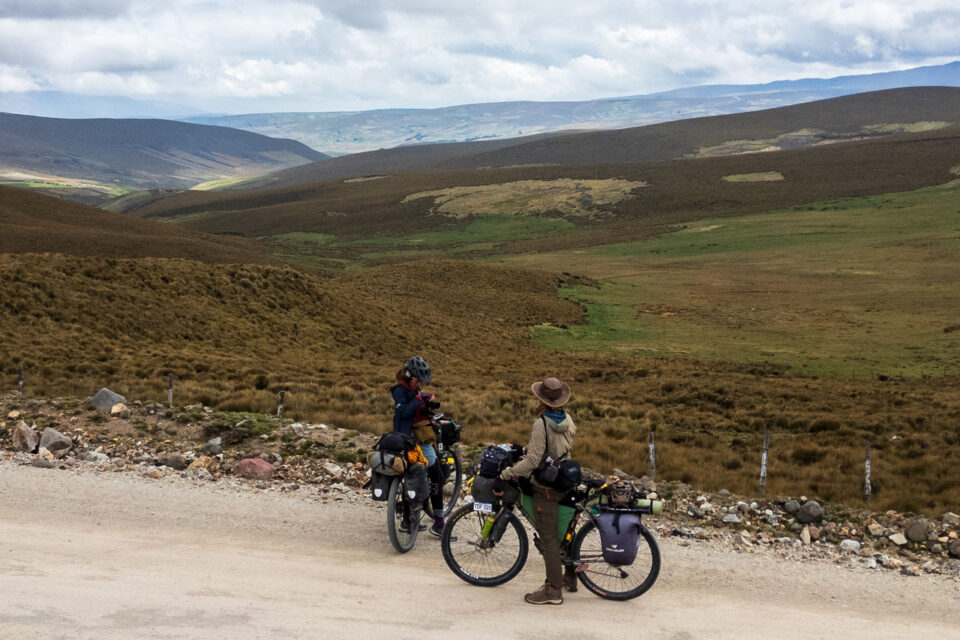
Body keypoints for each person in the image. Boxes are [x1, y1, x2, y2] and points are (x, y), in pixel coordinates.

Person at [500, 376, 577, 605]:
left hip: (547, 487)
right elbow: (559, 449)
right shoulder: (568, 419)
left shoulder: (541, 423)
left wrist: (509, 473)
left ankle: (553, 590)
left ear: (541, 399)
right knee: (564, 529)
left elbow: (533, 461)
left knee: (549, 539)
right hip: (565, 479)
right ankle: (570, 576)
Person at [390, 356, 447, 536]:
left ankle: (408, 520)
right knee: (436, 474)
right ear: (408, 377)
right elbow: (405, 412)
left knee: (412, 476)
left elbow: (415, 410)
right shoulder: (400, 391)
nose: (420, 384)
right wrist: (419, 398)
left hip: (407, 438)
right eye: (418, 381)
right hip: (410, 440)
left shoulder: (411, 391)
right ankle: (439, 524)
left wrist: (427, 406)